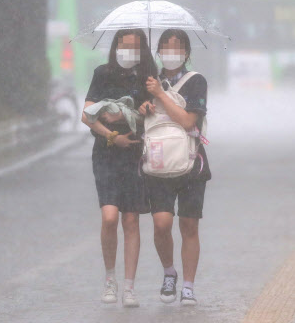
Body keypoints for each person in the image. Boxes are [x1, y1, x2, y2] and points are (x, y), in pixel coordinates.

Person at [82, 28, 157, 308]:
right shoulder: (103, 73)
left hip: (136, 154)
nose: (129, 50)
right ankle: (110, 279)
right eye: (125, 45)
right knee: (110, 217)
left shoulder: (148, 76)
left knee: (131, 220)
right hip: (107, 153)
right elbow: (86, 115)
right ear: (116, 47)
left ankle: (129, 287)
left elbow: (157, 112)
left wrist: (148, 108)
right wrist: (112, 136)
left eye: (135, 46)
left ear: (142, 50)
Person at [139, 28, 210, 307]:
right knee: (161, 223)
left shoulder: (196, 82)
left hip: (191, 162)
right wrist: (144, 105)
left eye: (177, 47)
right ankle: (169, 272)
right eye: (166, 47)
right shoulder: (148, 81)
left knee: (189, 224)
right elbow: (139, 119)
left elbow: (188, 121)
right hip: (157, 162)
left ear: (186, 53)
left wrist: (160, 94)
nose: (171, 53)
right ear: (158, 52)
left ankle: (188, 287)